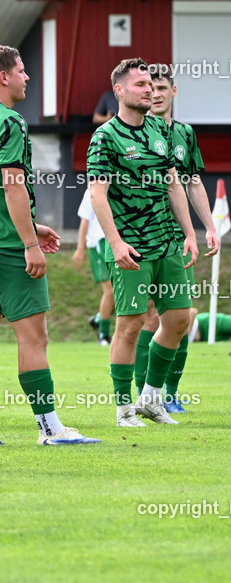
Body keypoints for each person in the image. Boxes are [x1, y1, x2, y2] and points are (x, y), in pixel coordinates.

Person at [0, 45, 99, 447]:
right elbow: (12, 184)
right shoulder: (9, 121)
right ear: (4, 77)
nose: (27, 77)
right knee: (33, 338)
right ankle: (51, 430)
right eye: (21, 71)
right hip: (4, 247)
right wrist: (29, 243)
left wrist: (28, 225)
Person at [87, 57, 199, 428]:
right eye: (141, 85)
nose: (149, 90)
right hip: (130, 245)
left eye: (151, 85)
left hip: (166, 242)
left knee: (179, 318)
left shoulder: (159, 129)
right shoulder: (105, 136)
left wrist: (188, 232)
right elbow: (98, 194)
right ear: (119, 90)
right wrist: (115, 243)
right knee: (131, 324)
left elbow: (173, 183)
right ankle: (123, 410)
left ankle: (150, 398)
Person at [143, 67, 220, 412]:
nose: (155, 93)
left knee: (182, 315)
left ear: (174, 91)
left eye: (161, 87)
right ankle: (140, 394)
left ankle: (167, 394)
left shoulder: (185, 134)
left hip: (178, 240)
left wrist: (209, 227)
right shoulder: (134, 131)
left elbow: (192, 183)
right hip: (141, 237)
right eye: (149, 87)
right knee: (145, 320)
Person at [72, 189, 114, 345]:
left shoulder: (122, 185)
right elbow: (85, 221)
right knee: (109, 290)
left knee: (120, 291)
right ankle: (103, 335)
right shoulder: (93, 190)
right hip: (99, 244)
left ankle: (98, 319)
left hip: (117, 242)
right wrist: (80, 249)